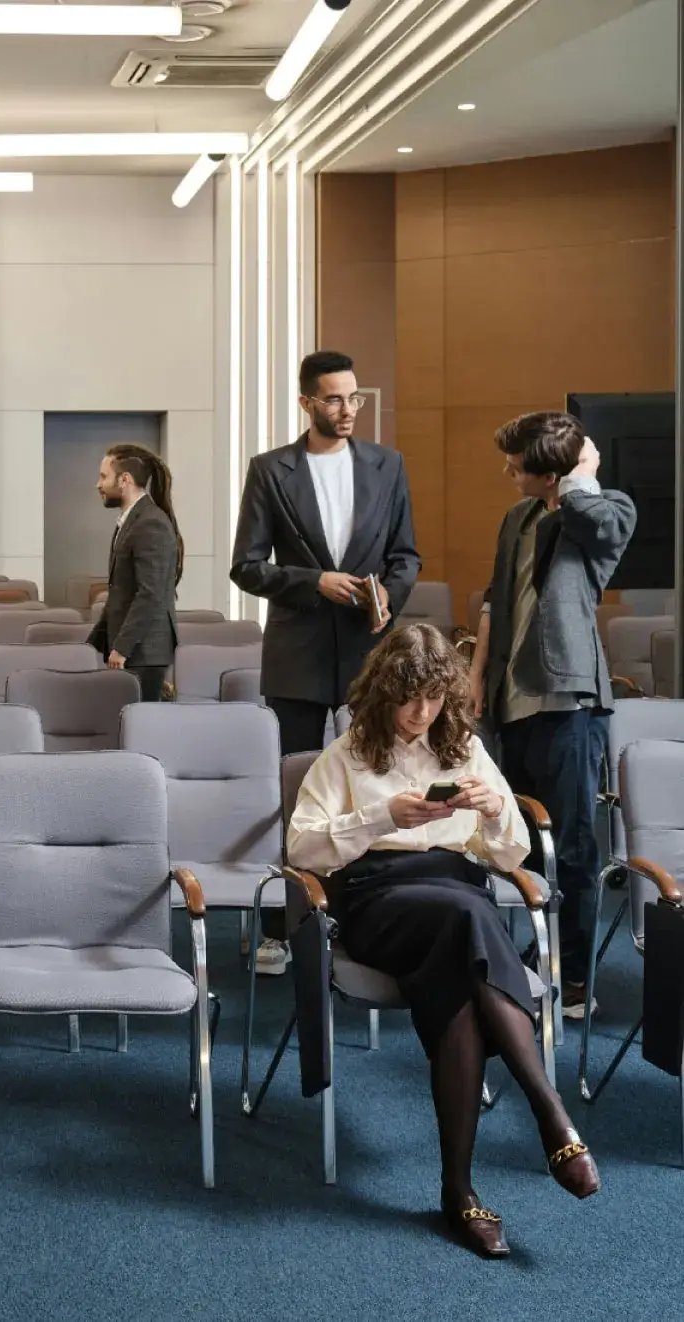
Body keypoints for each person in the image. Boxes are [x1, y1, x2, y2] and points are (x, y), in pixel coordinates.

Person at [288, 624, 599, 1258]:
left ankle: (458, 1192)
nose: (421, 713)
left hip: (457, 898)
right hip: (380, 897)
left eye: (432, 698)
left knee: (459, 986)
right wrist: (383, 815)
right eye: (408, 698)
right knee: (469, 920)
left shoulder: (464, 748)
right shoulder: (345, 753)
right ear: (382, 693)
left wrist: (493, 810)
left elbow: (511, 853)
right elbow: (302, 849)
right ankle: (551, 1111)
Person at [231, 349, 420, 970]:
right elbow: (247, 566)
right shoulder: (269, 470)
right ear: (308, 403)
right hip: (299, 650)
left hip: (371, 647)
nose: (348, 410)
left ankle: (373, 919)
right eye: (335, 399)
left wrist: (392, 588)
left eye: (355, 398)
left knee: (380, 780)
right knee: (297, 785)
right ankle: (287, 925)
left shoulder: (387, 465)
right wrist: (313, 581)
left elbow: (405, 554)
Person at [468, 412, 636, 1019]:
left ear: (550, 474)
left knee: (574, 846)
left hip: (570, 703)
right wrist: (478, 672)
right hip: (514, 701)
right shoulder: (517, 518)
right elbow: (494, 598)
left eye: (518, 466)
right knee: (520, 843)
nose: (507, 473)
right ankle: (529, 964)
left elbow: (596, 525)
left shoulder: (606, 508)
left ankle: (576, 982)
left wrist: (582, 473)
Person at [86, 443, 183, 702]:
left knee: (140, 731)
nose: (98, 484)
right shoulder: (133, 521)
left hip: (144, 653)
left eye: (104, 476)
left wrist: (122, 647)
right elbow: (121, 594)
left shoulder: (150, 523)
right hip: (134, 651)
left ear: (124, 480)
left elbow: (150, 596)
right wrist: (90, 646)